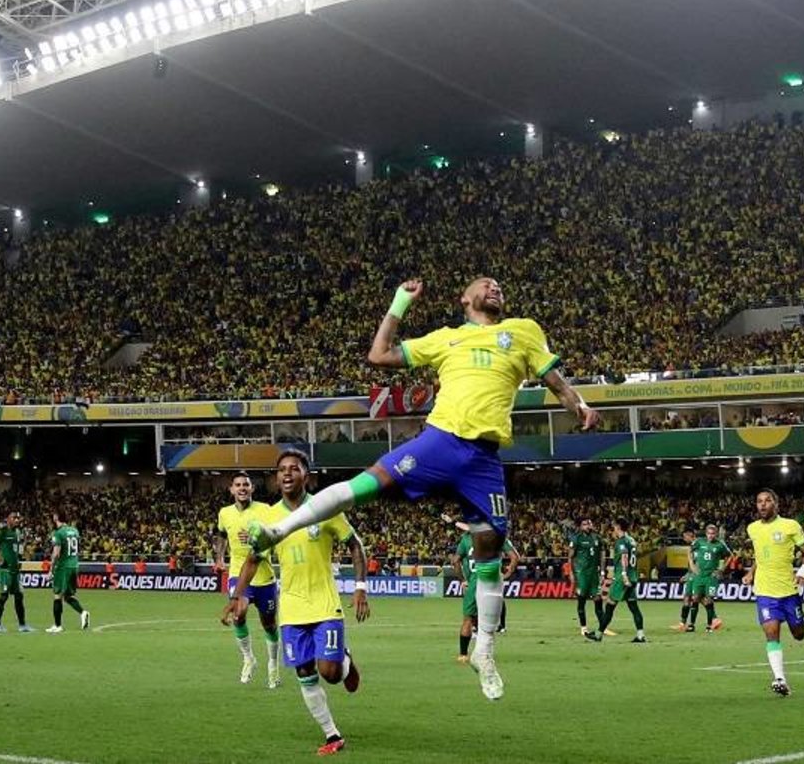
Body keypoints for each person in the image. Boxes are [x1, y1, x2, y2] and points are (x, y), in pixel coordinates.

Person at [247, 277, 597, 701]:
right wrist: (399, 303)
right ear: (464, 299)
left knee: (490, 546)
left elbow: (556, 381)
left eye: (499, 284)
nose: (495, 286)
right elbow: (379, 355)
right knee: (364, 484)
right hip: (441, 441)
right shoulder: (445, 339)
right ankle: (279, 530)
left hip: (484, 458)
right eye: (484, 284)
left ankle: (485, 650)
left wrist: (578, 406)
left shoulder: (524, 330)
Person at [225, 449, 369, 756]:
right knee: (305, 673)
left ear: (307, 475)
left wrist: (360, 588)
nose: (287, 473)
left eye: (294, 468)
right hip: (291, 609)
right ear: (276, 478)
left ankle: (344, 661)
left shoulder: (326, 509)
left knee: (330, 672)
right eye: (281, 470)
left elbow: (355, 546)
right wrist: (238, 595)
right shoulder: (268, 517)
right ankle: (332, 736)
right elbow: (253, 559)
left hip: (324, 604)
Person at [214, 471, 280, 687]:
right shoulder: (224, 513)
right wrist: (219, 558)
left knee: (269, 625)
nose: (242, 488)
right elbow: (221, 535)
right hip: (237, 572)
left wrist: (256, 538)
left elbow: (276, 535)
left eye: (246, 484)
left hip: (264, 574)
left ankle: (273, 664)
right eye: (238, 485)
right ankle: (248, 658)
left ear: (252, 488)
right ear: (231, 489)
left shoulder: (265, 510)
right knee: (239, 612)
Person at [745, 489, 804, 697]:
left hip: (788, 591)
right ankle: (780, 679)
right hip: (764, 591)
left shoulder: (790, 526)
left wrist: (802, 571)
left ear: (776, 503)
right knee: (771, 633)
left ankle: (801, 617)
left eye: (767, 501)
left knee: (799, 634)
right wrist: (751, 573)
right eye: (759, 501)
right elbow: (761, 555)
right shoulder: (752, 529)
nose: (763, 505)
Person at [453, 528, 519, 662]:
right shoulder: (498, 536)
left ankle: (463, 655)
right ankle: (485, 653)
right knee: (488, 622)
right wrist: (507, 574)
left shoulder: (466, 539)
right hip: (492, 581)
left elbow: (455, 561)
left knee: (468, 619)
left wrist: (463, 580)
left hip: (474, 581)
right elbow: (514, 557)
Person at [596, 518, 646, 643]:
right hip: (633, 577)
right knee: (634, 607)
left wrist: (623, 575)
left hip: (623, 578)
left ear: (618, 527)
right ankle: (640, 635)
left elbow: (624, 556)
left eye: (613, 527)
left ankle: (598, 634)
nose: (613, 530)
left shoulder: (621, 542)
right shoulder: (632, 540)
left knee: (610, 604)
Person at [679, 523, 730, 633]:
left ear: (716, 534)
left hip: (711, 576)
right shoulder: (699, 542)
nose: (711, 536)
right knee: (695, 598)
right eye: (709, 533)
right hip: (699, 575)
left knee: (708, 599)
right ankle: (691, 625)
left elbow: (729, 556)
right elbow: (690, 551)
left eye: (713, 534)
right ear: (706, 534)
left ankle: (709, 625)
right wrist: (692, 566)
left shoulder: (720, 545)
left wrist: (721, 569)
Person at [0, 510, 32, 633]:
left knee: (19, 596)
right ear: (8, 519)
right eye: (14, 518)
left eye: (18, 518)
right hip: (5, 570)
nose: (17, 520)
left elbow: (16, 549)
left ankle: (22, 625)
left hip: (15, 570)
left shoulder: (17, 532)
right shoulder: (2, 532)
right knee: (3, 596)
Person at [46, 510, 89, 634]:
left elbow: (56, 553)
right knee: (68, 596)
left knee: (57, 595)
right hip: (74, 566)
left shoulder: (58, 533)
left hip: (63, 567)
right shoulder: (74, 531)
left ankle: (57, 625)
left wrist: (51, 569)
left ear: (56, 517)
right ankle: (83, 612)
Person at [568, 517, 605, 639]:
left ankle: (602, 626)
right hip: (582, 574)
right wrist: (572, 573)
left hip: (594, 574)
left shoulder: (597, 538)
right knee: (581, 600)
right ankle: (583, 627)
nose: (588, 526)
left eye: (589, 523)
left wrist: (603, 571)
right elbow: (571, 557)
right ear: (580, 526)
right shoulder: (576, 538)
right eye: (585, 524)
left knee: (598, 599)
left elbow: (602, 556)